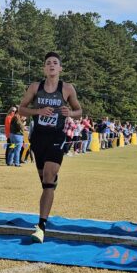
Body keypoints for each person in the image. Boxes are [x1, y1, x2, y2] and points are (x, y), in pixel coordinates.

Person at [17, 52, 82, 244]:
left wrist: (69, 112)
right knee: (44, 180)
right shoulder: (36, 87)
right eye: (48, 63)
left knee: (48, 177)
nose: (52, 65)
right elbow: (21, 109)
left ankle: (41, 226)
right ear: (44, 69)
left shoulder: (67, 88)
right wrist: (38, 111)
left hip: (56, 135)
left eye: (55, 63)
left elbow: (79, 112)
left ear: (60, 68)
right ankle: (52, 182)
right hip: (39, 137)